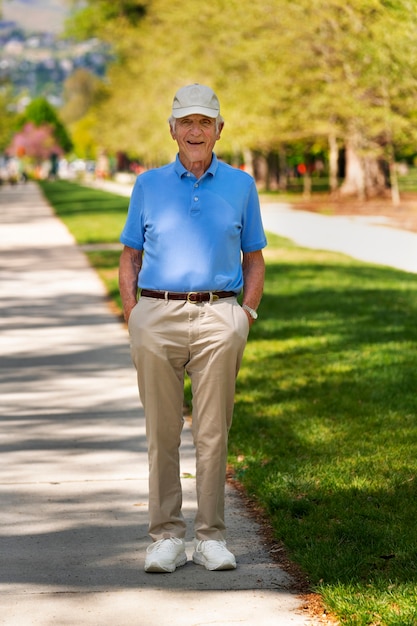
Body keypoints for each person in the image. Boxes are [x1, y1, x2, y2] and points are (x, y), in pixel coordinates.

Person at [119, 83, 267, 573]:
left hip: (218, 317)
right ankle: (164, 537)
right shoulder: (147, 185)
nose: (196, 131)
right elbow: (130, 257)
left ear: (219, 130)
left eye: (205, 122)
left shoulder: (242, 185)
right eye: (187, 122)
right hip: (156, 316)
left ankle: (210, 538)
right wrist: (133, 314)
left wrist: (244, 315)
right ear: (172, 130)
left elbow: (254, 259)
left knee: (212, 433)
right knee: (161, 432)